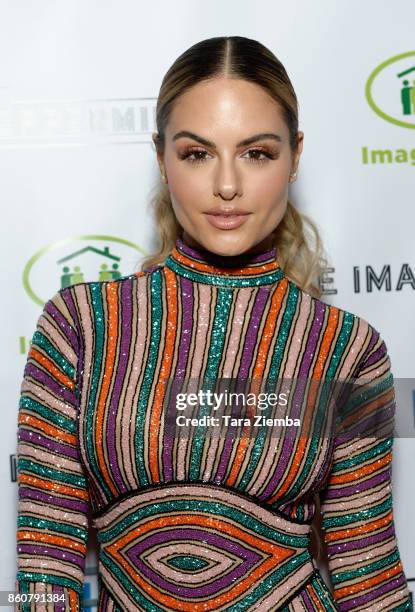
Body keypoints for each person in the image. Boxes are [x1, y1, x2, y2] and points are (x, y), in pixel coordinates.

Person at [15, 36, 412, 611]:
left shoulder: (347, 350)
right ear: (161, 157)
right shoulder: (81, 326)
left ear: (295, 156)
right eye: (197, 153)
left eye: (257, 153)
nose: (227, 185)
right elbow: (46, 569)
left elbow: (366, 570)